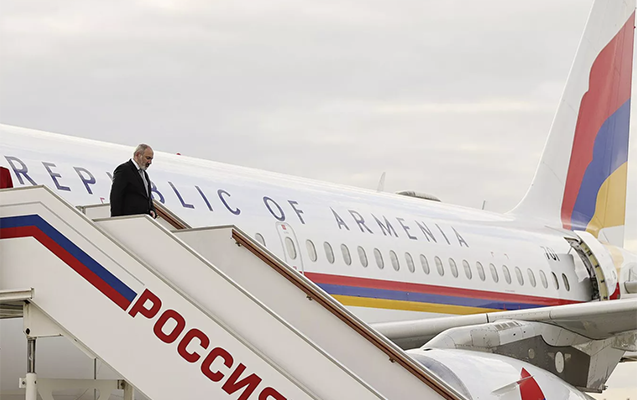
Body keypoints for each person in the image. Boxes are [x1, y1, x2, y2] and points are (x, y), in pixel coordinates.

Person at [110, 144, 157, 218]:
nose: (150, 162)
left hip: (143, 220)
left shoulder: (144, 174)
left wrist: (152, 210)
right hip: (129, 219)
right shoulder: (124, 170)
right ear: (138, 155)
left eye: (151, 159)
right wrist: (116, 219)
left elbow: (147, 198)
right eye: (148, 158)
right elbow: (116, 196)